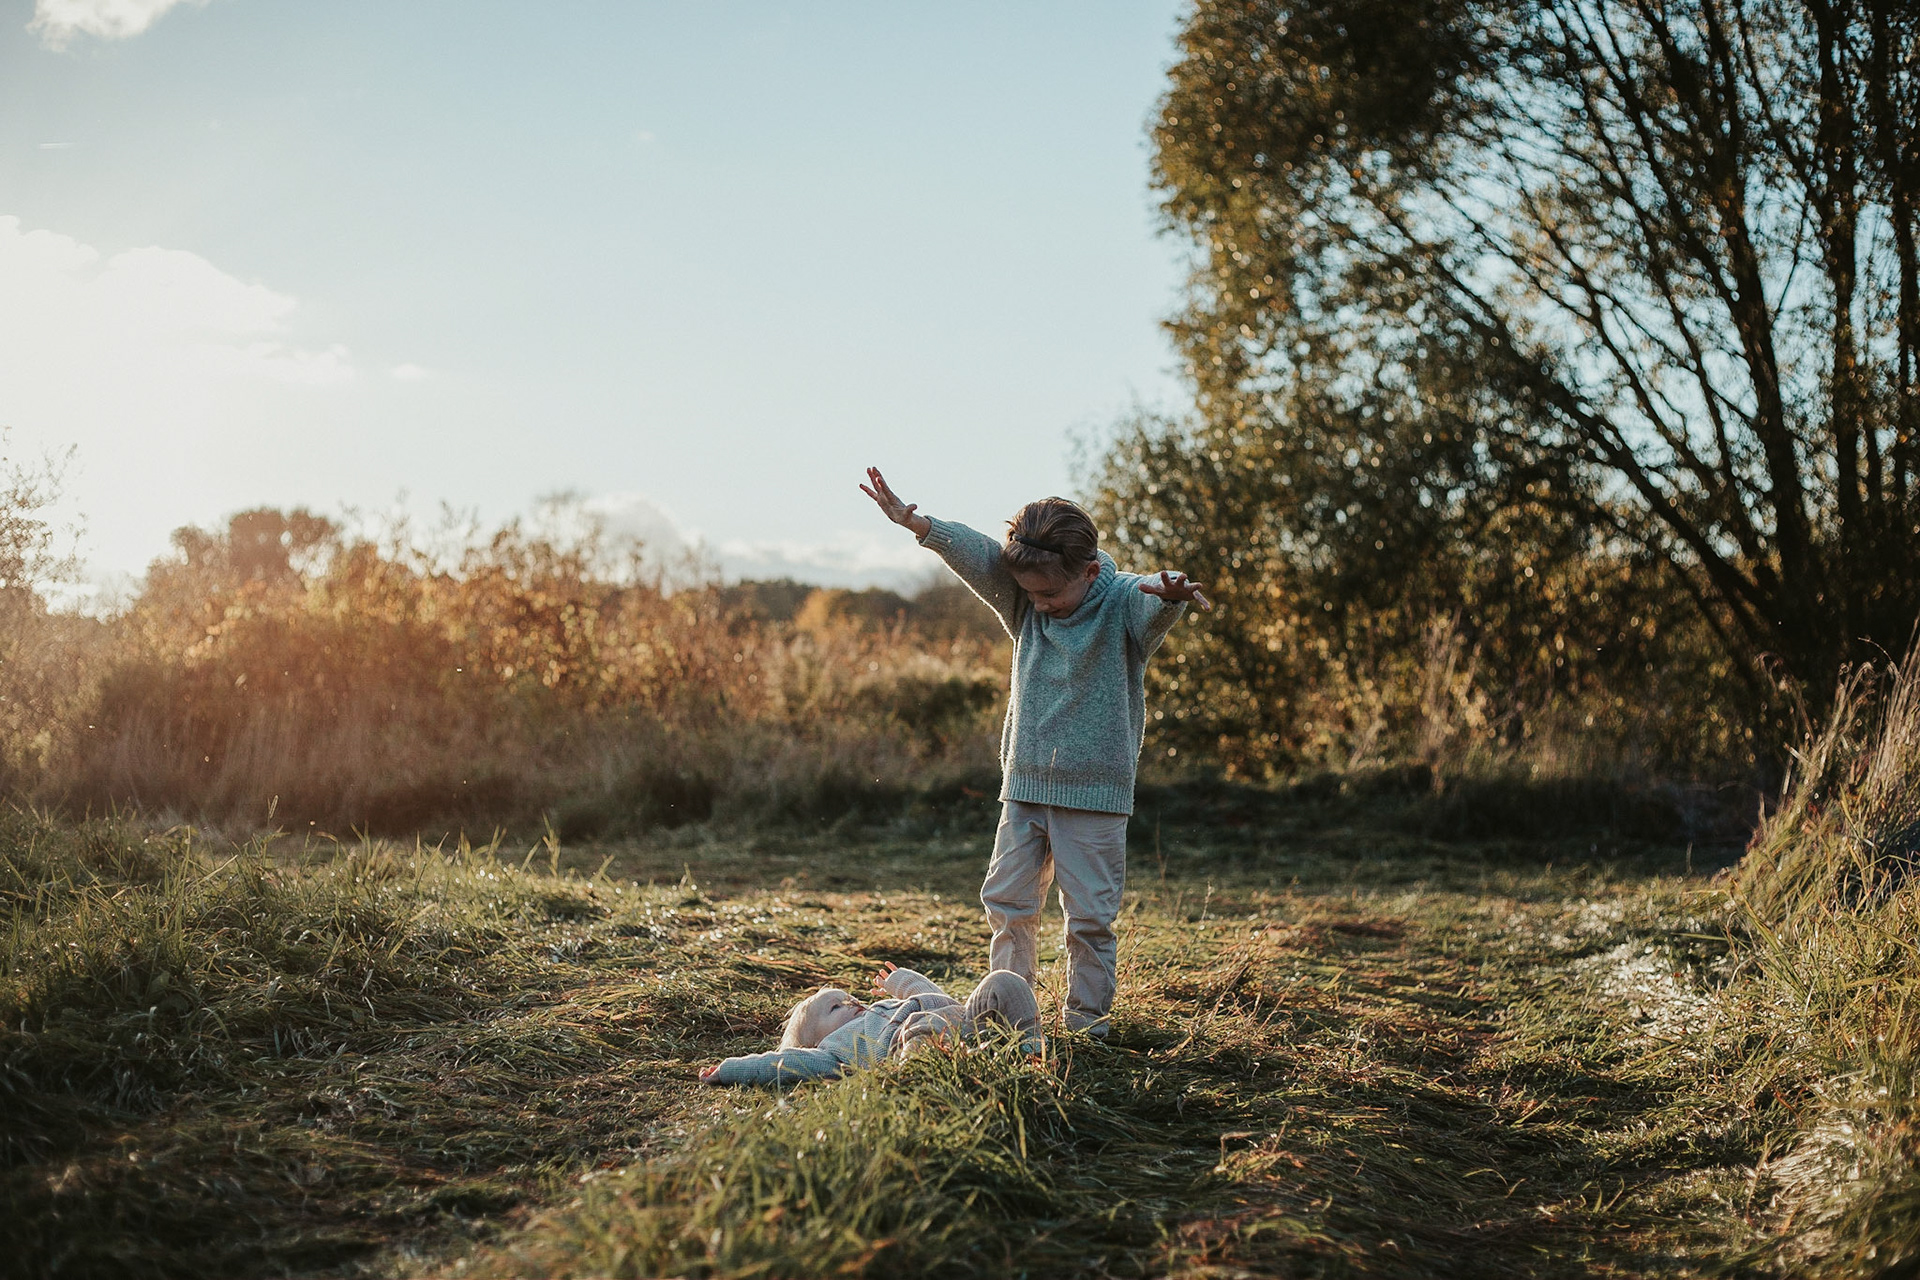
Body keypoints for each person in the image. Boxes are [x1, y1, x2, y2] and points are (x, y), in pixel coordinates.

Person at [859, 468, 1210, 1038]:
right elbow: (980, 556)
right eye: (1028, 593)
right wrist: (919, 525)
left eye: (1049, 594)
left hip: (1094, 796)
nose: (1038, 605)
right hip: (1023, 789)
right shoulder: (1025, 603)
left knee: (1089, 917)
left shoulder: (1123, 602)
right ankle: (1005, 1019)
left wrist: (1169, 598)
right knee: (1007, 904)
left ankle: (1087, 1025)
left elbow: (1150, 602)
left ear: (1089, 572)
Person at [699, 963, 1042, 1086]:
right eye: (836, 1007)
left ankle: (1032, 1055)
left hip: (966, 1025)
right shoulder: (832, 1051)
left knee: (1005, 982)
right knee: (920, 1028)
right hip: (917, 1047)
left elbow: (937, 1000)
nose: (852, 1004)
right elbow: (783, 1063)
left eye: (849, 998)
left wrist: (903, 981)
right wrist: (730, 1069)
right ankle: (919, 1083)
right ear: (816, 1042)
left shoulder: (882, 1008)